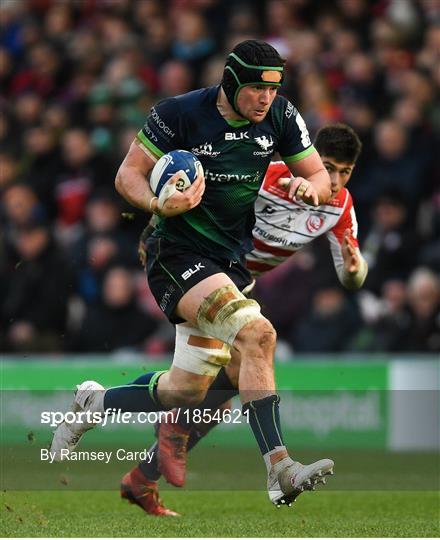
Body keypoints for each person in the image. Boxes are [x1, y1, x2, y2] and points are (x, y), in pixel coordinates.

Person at [50, 39, 333, 511]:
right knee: (258, 336)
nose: (267, 99)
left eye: (274, 90)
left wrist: (311, 186)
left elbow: (321, 177)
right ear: (231, 82)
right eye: (257, 90)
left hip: (228, 262)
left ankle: (92, 404)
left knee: (192, 389)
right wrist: (159, 204)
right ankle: (280, 469)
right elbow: (128, 176)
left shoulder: (282, 117)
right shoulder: (179, 113)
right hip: (175, 254)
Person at [124, 123, 368, 516]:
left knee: (209, 389)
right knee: (245, 354)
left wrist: (356, 269)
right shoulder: (266, 175)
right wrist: (153, 230)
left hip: (238, 282)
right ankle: (271, 465)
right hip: (199, 266)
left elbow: (350, 274)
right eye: (328, 168)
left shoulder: (340, 207)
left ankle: (145, 466)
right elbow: (197, 189)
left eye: (345, 172)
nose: (336, 180)